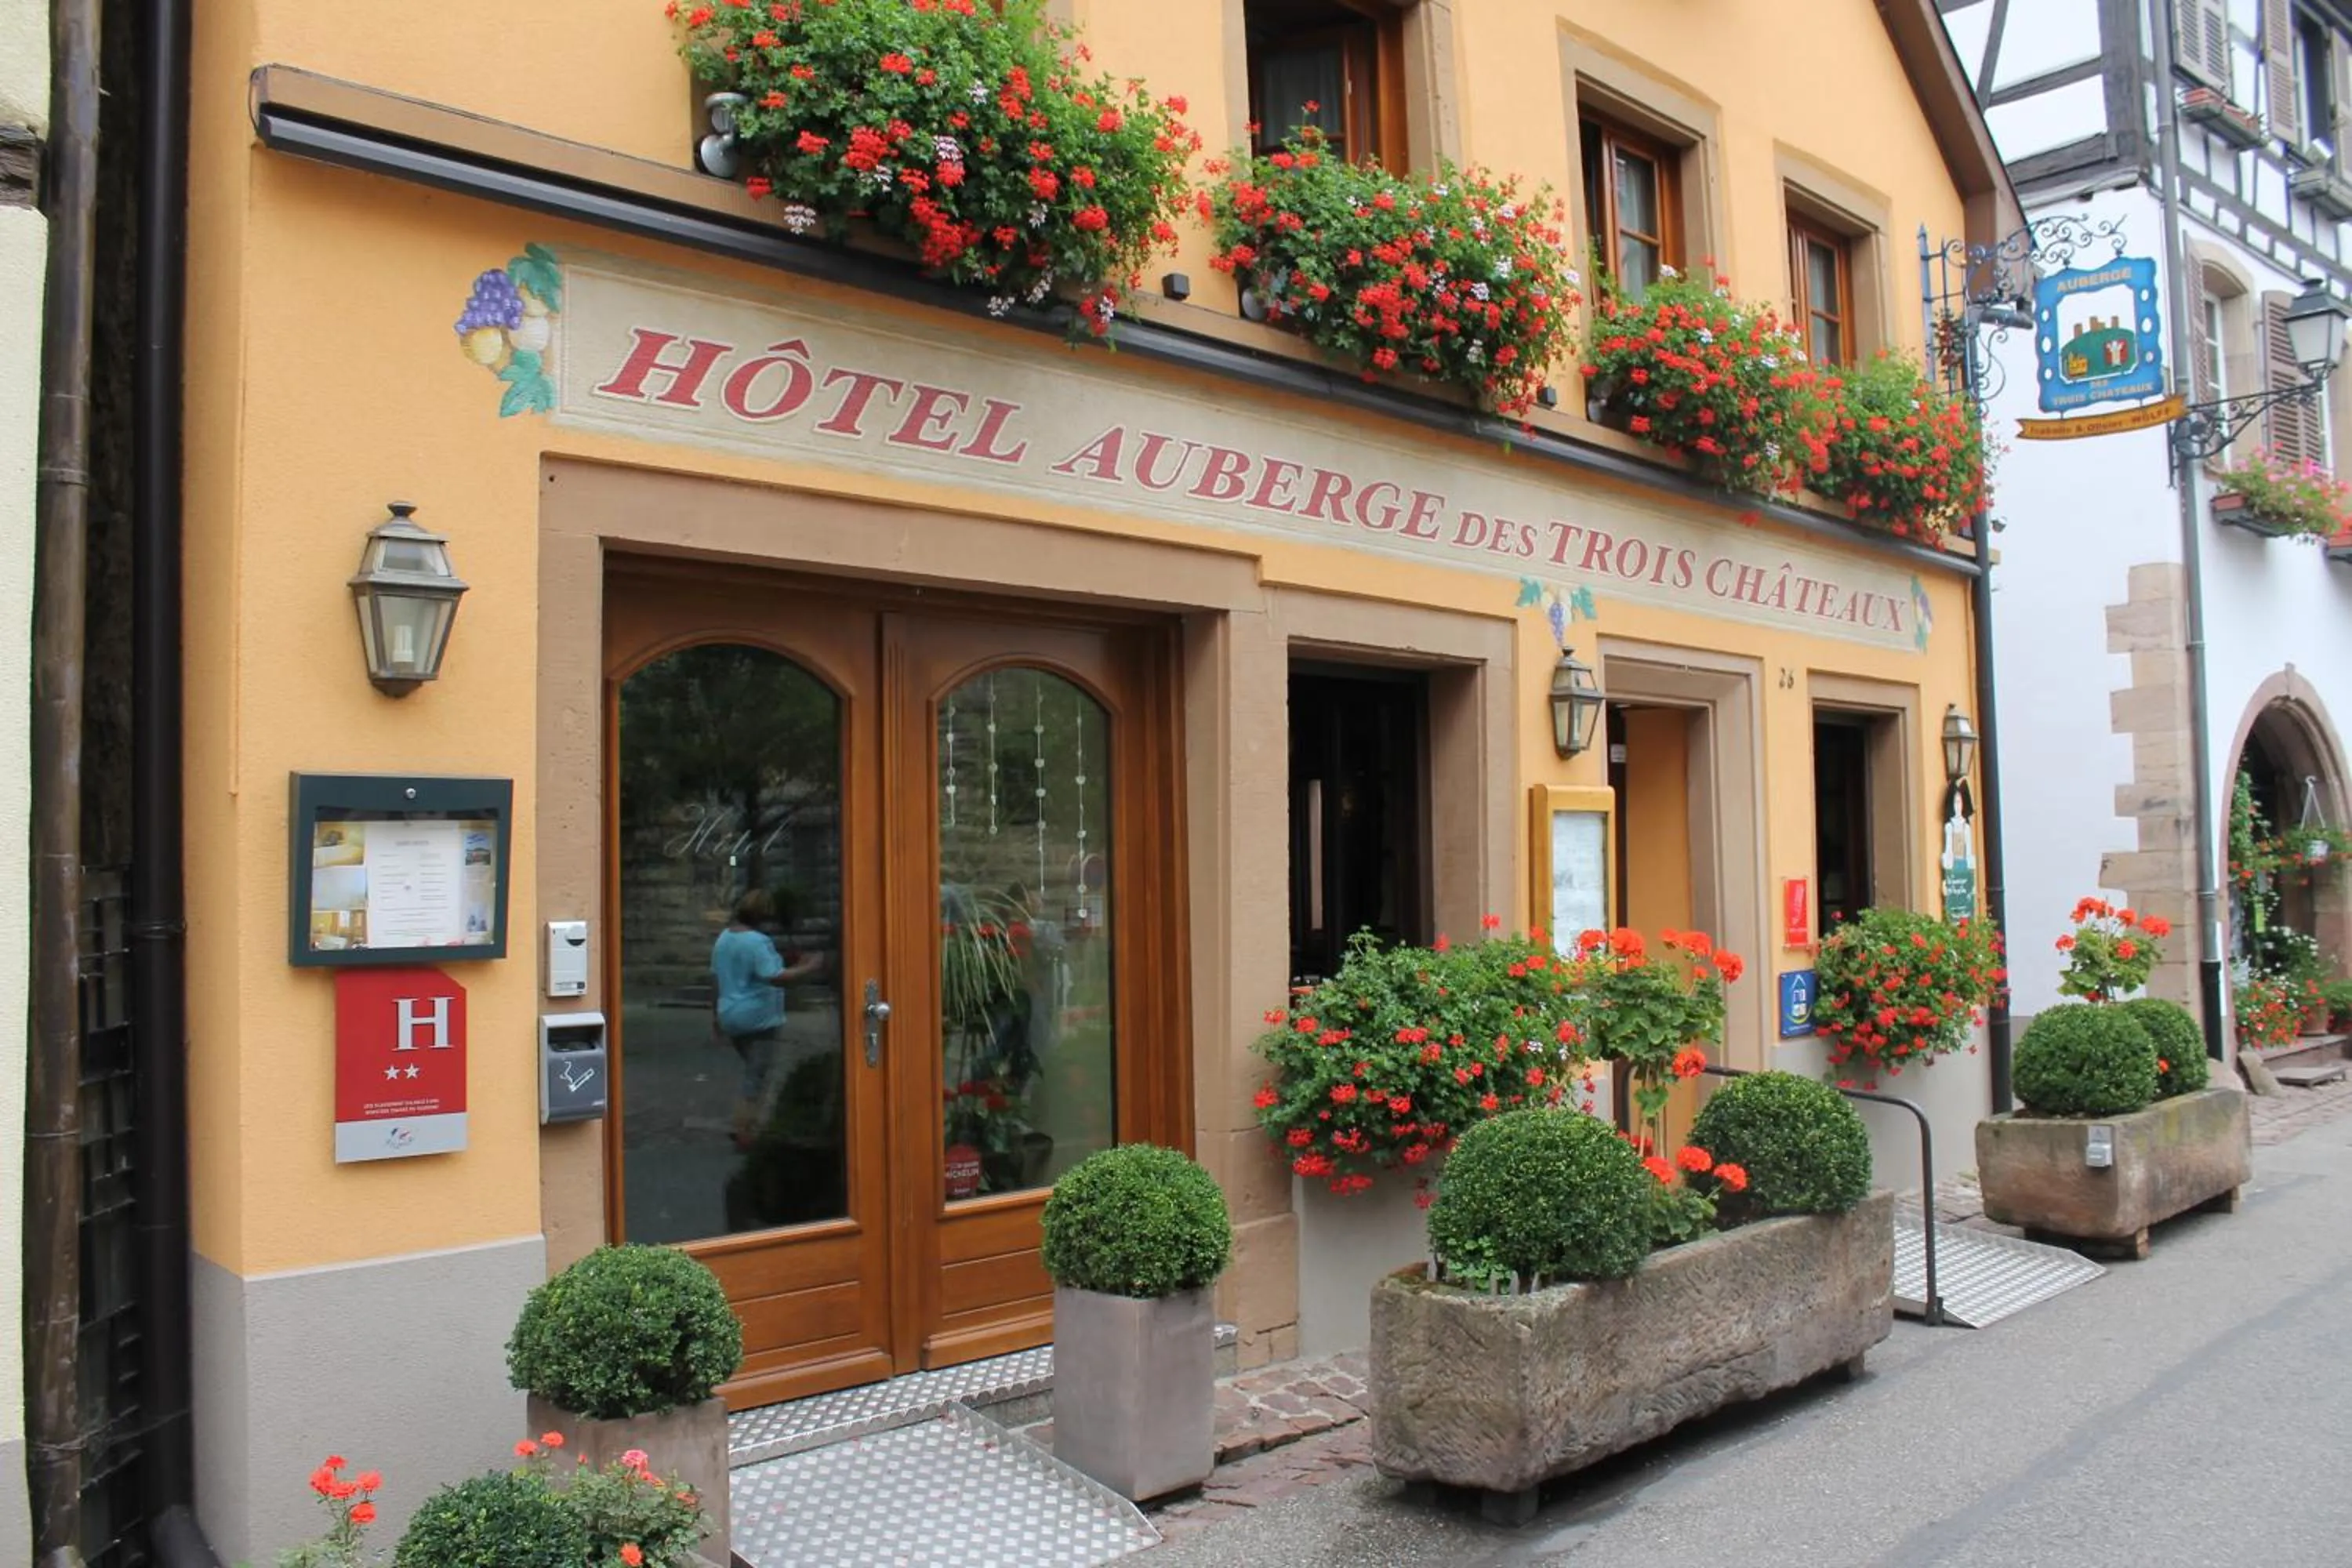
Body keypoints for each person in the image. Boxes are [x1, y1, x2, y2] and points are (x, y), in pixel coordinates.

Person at [711, 888, 822, 1149]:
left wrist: (715, 1016)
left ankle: (751, 1123)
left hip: (731, 1013)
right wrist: (809, 967)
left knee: (754, 1069)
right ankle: (744, 1129)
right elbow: (773, 976)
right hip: (758, 1018)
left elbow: (716, 979)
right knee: (756, 1075)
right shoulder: (757, 942)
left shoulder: (724, 939)